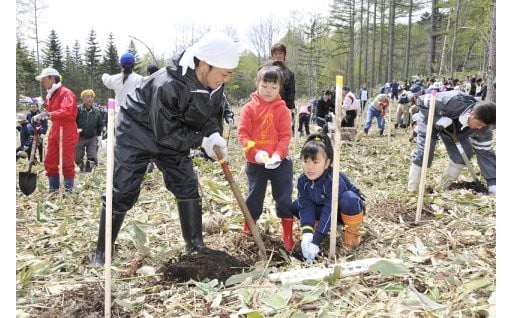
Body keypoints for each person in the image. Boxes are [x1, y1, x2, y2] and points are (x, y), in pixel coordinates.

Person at [88, 31, 240, 266]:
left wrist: (213, 133)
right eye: (224, 73)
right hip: (137, 131)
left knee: (186, 183)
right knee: (124, 189)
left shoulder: (214, 84)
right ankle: (102, 251)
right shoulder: (168, 84)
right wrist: (201, 140)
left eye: (230, 74)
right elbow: (166, 134)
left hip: (174, 133)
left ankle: (195, 245)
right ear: (204, 64)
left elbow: (210, 111)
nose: (226, 79)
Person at [237, 64, 295, 251]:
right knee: (254, 198)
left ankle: (287, 234)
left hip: (280, 163)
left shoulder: (283, 110)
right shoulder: (249, 109)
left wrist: (278, 154)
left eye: (273, 87)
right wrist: (256, 153)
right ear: (257, 84)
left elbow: (285, 135)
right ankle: (249, 231)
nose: (268, 91)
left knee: (284, 197)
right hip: (256, 163)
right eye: (264, 86)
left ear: (280, 88)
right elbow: (243, 135)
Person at [291, 133, 366, 261]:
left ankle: (352, 236)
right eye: (305, 161)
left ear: (327, 163)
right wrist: (308, 232)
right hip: (321, 209)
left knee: (349, 198)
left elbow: (330, 210)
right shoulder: (302, 181)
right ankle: (315, 228)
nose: (309, 167)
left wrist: (317, 240)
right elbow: (306, 206)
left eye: (315, 162)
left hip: (341, 212)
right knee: (297, 205)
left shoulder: (334, 180)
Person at [407, 90, 496, 195]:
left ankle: (443, 187)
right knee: (424, 153)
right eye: (479, 124)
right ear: (471, 114)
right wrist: (437, 118)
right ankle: (413, 190)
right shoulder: (451, 100)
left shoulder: (484, 129)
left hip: (454, 130)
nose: (480, 128)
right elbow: (421, 101)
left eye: (483, 126)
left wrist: (492, 182)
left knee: (464, 154)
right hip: (430, 119)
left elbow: (485, 154)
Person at [33, 67, 79, 192]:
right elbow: (50, 112)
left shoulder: (66, 93)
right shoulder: (50, 96)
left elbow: (67, 111)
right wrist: (41, 116)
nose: (42, 83)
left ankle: (69, 190)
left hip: (67, 130)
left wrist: (48, 115)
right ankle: (53, 190)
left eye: (44, 80)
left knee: (67, 161)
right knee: (50, 160)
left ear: (52, 78)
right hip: (55, 129)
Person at [75, 89, 104, 172]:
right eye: (88, 97)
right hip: (79, 136)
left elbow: (100, 125)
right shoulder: (78, 110)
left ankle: (89, 170)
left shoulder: (97, 112)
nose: (90, 99)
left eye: (92, 97)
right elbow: (73, 121)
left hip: (92, 137)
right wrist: (75, 130)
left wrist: (99, 136)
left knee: (92, 154)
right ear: (83, 98)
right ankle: (80, 167)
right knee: (78, 155)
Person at [271, 43, 296, 132]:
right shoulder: (265, 69)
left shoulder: (289, 73)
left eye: (280, 53)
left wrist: (289, 108)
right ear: (272, 55)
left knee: (281, 131)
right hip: (266, 106)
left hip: (282, 106)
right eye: (276, 54)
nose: (278, 56)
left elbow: (291, 91)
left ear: (284, 55)